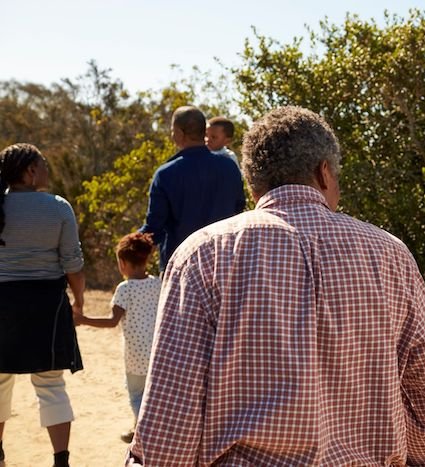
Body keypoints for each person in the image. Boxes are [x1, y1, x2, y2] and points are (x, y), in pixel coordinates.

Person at [127, 106, 425, 466]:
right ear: (324, 172)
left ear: (253, 183)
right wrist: (424, 458)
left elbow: (172, 412)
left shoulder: (203, 254)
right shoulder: (391, 255)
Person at [0, 143, 85, 467]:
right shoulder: (57, 207)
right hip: (45, 305)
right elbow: (73, 266)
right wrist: (77, 302)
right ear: (30, 171)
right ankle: (60, 460)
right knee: (51, 384)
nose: (49, 170)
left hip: (2, 304)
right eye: (44, 164)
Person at [73, 232, 161, 444]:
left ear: (122, 262)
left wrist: (83, 320)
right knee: (152, 394)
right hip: (158, 352)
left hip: (136, 356)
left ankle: (147, 433)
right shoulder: (158, 283)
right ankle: (138, 428)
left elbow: (112, 321)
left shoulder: (125, 289)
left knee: (137, 395)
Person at [140, 106, 246, 271]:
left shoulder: (166, 174)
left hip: (180, 266)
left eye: (172, 130)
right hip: (223, 264)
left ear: (180, 134)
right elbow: (239, 210)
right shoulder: (230, 168)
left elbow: (154, 229)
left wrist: (130, 250)